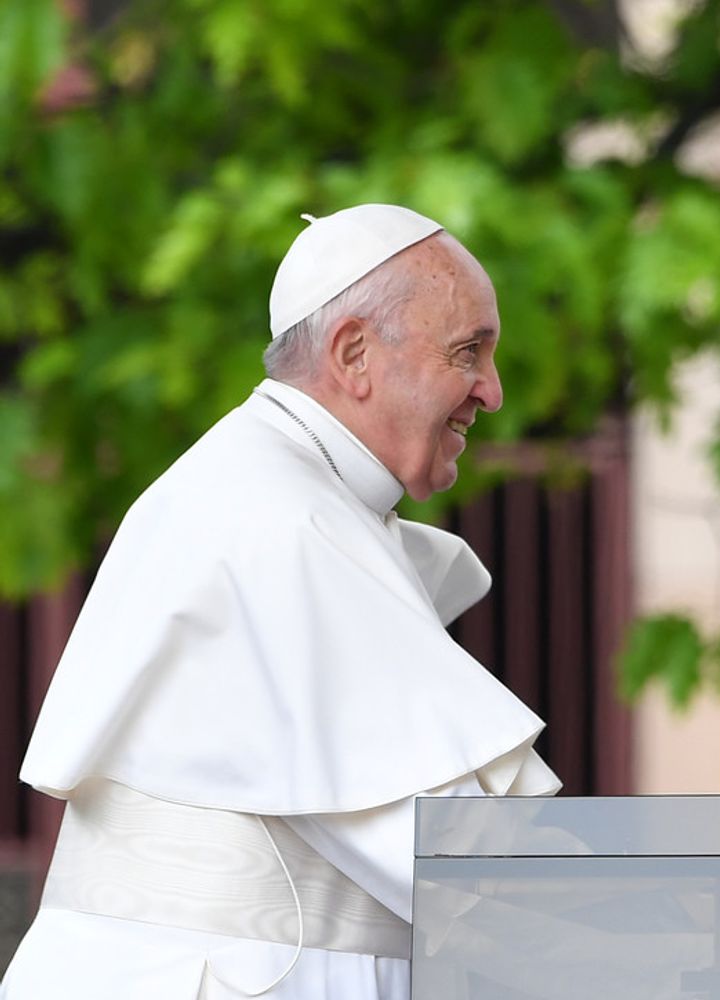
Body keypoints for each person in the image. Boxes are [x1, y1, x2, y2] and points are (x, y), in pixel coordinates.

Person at [0, 204, 559, 1000]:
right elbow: (467, 861)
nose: (492, 393)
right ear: (354, 352)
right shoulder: (280, 519)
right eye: (468, 352)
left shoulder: (268, 489)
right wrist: (696, 935)